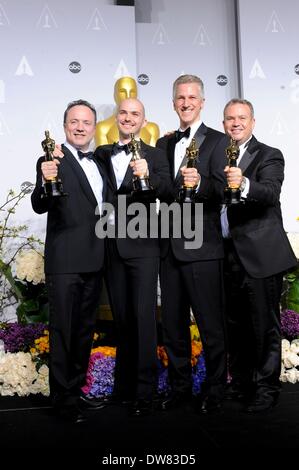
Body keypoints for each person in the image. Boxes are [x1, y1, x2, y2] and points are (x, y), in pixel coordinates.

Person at [215, 98, 297, 412]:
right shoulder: (218, 156)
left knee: (264, 325)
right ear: (223, 124)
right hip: (227, 254)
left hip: (260, 256)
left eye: (241, 118)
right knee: (235, 326)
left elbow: (270, 192)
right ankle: (242, 384)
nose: (235, 123)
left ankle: (266, 389)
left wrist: (244, 183)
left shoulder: (269, 154)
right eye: (229, 119)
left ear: (252, 121)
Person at [94, 98, 171, 416]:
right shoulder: (101, 154)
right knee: (123, 319)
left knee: (143, 319)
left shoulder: (156, 154)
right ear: (116, 118)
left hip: (143, 246)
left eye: (134, 114)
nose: (128, 118)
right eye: (123, 113)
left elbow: (169, 190)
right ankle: (123, 388)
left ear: (144, 120)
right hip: (110, 246)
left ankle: (145, 391)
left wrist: (148, 176)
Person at [156, 74, 228, 413]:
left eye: (192, 97)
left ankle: (216, 389)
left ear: (201, 102)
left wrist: (199, 184)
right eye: (180, 98)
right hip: (169, 249)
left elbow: (222, 190)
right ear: (173, 103)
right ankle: (180, 388)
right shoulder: (164, 144)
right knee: (173, 327)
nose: (186, 103)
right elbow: (163, 190)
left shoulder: (217, 141)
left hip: (203, 248)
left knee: (210, 324)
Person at [31, 99, 106, 423]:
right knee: (63, 331)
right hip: (64, 262)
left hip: (95, 259)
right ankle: (62, 400)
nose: (80, 127)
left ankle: (75, 392)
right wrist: (46, 181)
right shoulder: (51, 160)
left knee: (84, 331)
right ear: (64, 126)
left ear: (93, 128)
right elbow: (39, 203)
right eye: (74, 122)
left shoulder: (99, 162)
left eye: (86, 122)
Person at [95, 76, 160, 146]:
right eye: (122, 91)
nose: (128, 95)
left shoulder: (152, 129)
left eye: (132, 92)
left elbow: (154, 155)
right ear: (115, 95)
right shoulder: (103, 128)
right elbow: (101, 155)